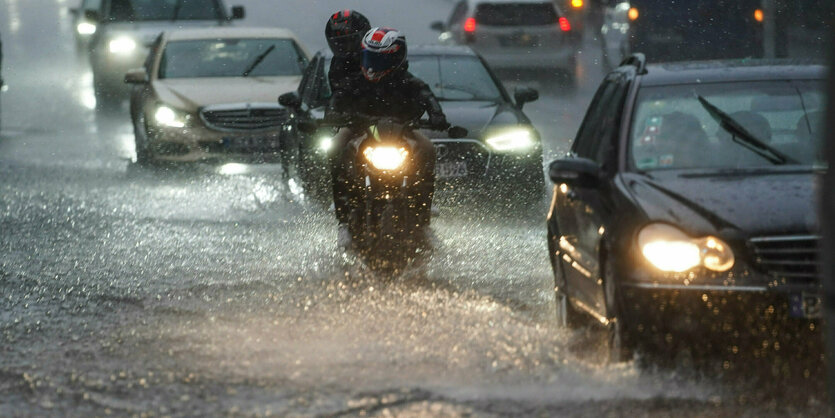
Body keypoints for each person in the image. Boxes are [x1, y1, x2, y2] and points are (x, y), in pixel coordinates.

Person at [326, 27, 449, 247]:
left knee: (428, 149)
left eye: (379, 60)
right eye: (369, 57)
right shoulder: (355, 81)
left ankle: (423, 221)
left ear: (396, 58)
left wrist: (437, 115)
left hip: (401, 130)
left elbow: (427, 95)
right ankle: (343, 221)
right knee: (335, 148)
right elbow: (338, 97)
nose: (372, 65)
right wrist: (334, 114)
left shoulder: (409, 82)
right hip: (360, 128)